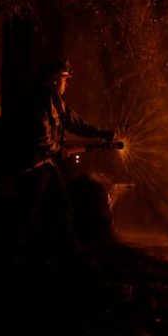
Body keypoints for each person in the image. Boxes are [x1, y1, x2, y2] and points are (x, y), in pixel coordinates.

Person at [17, 59, 115, 261]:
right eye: (64, 79)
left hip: (45, 164)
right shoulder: (40, 103)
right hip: (32, 166)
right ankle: (18, 255)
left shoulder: (58, 104)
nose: (67, 83)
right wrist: (58, 149)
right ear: (54, 80)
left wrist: (101, 134)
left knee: (62, 205)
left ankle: (65, 249)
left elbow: (76, 123)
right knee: (30, 209)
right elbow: (41, 137)